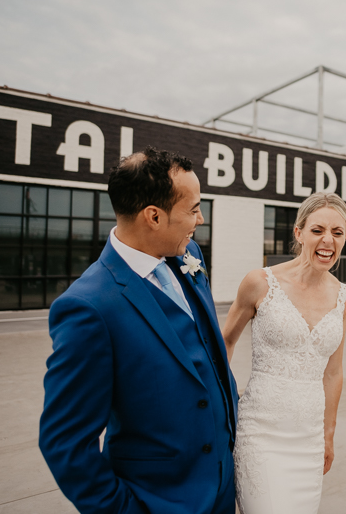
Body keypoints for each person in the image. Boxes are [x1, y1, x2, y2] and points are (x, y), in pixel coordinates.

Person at [39, 146, 238, 514]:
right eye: (193, 208)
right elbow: (65, 443)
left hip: (224, 488)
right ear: (154, 216)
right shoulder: (88, 307)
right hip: (159, 500)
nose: (201, 219)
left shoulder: (187, 254)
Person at [223, 192, 346, 514]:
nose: (328, 241)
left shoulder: (345, 297)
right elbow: (223, 344)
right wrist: (222, 407)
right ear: (299, 233)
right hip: (260, 433)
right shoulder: (259, 283)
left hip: (308, 438)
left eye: (337, 233)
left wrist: (328, 433)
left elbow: (333, 371)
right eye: (318, 230)